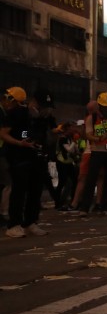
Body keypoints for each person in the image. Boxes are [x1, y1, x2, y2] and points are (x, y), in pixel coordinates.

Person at [0, 87, 47, 237]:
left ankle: (30, 222)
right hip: (18, 158)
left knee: (35, 190)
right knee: (18, 191)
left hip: (34, 157)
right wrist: (20, 143)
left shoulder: (38, 118)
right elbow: (3, 133)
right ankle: (14, 224)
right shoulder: (16, 114)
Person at [77, 92, 107, 215]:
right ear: (99, 106)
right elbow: (88, 135)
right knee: (91, 180)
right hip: (97, 151)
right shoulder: (91, 118)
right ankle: (85, 208)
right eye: (105, 107)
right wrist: (100, 138)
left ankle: (105, 207)